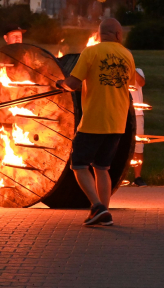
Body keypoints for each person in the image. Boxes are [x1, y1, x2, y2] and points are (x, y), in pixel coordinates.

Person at [56, 18, 136, 226]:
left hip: (93, 121)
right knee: (102, 168)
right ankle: (104, 213)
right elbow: (129, 83)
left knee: (79, 165)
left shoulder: (90, 52)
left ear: (100, 34)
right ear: (118, 35)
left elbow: (73, 84)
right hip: (117, 122)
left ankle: (97, 206)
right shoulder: (127, 55)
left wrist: (61, 84)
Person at [129, 67, 147, 187]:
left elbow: (141, 82)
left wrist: (130, 68)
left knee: (138, 145)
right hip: (120, 113)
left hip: (137, 113)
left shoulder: (138, 71)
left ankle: (137, 177)